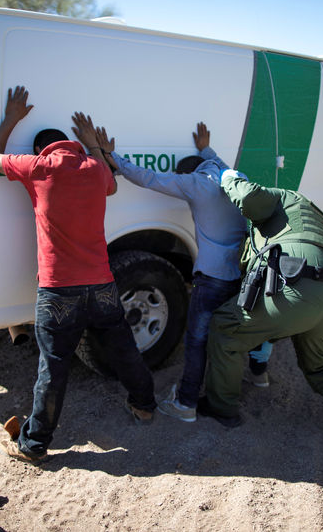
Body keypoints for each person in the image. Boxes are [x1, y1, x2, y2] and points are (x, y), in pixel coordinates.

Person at [0, 86, 157, 463]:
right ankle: (144, 405)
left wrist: (11, 119)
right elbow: (110, 185)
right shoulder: (95, 170)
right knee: (123, 348)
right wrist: (94, 145)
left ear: (40, 151)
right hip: (103, 283)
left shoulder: (38, 168)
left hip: (59, 291)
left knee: (53, 367)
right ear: (72, 145)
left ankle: (34, 445)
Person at [198, 170, 323, 449]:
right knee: (321, 365)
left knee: (225, 329)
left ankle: (222, 407)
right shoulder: (315, 218)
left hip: (296, 288)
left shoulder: (283, 197)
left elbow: (248, 197)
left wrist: (228, 176)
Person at [94, 122, 269, 422]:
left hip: (213, 277)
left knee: (197, 340)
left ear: (187, 173)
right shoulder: (234, 177)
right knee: (246, 328)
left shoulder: (195, 184)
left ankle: (187, 403)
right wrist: (206, 149)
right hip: (242, 272)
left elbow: (150, 178)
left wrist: (113, 158)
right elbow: (218, 163)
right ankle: (259, 375)